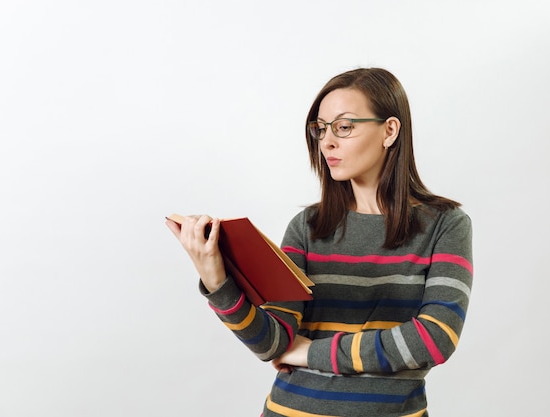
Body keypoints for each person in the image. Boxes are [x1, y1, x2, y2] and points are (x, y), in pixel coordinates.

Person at [166, 67, 473, 417]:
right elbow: (274, 343)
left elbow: (435, 339)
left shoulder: (446, 225)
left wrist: (309, 353)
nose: (327, 142)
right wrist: (216, 280)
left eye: (344, 127)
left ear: (390, 130)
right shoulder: (308, 227)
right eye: (320, 129)